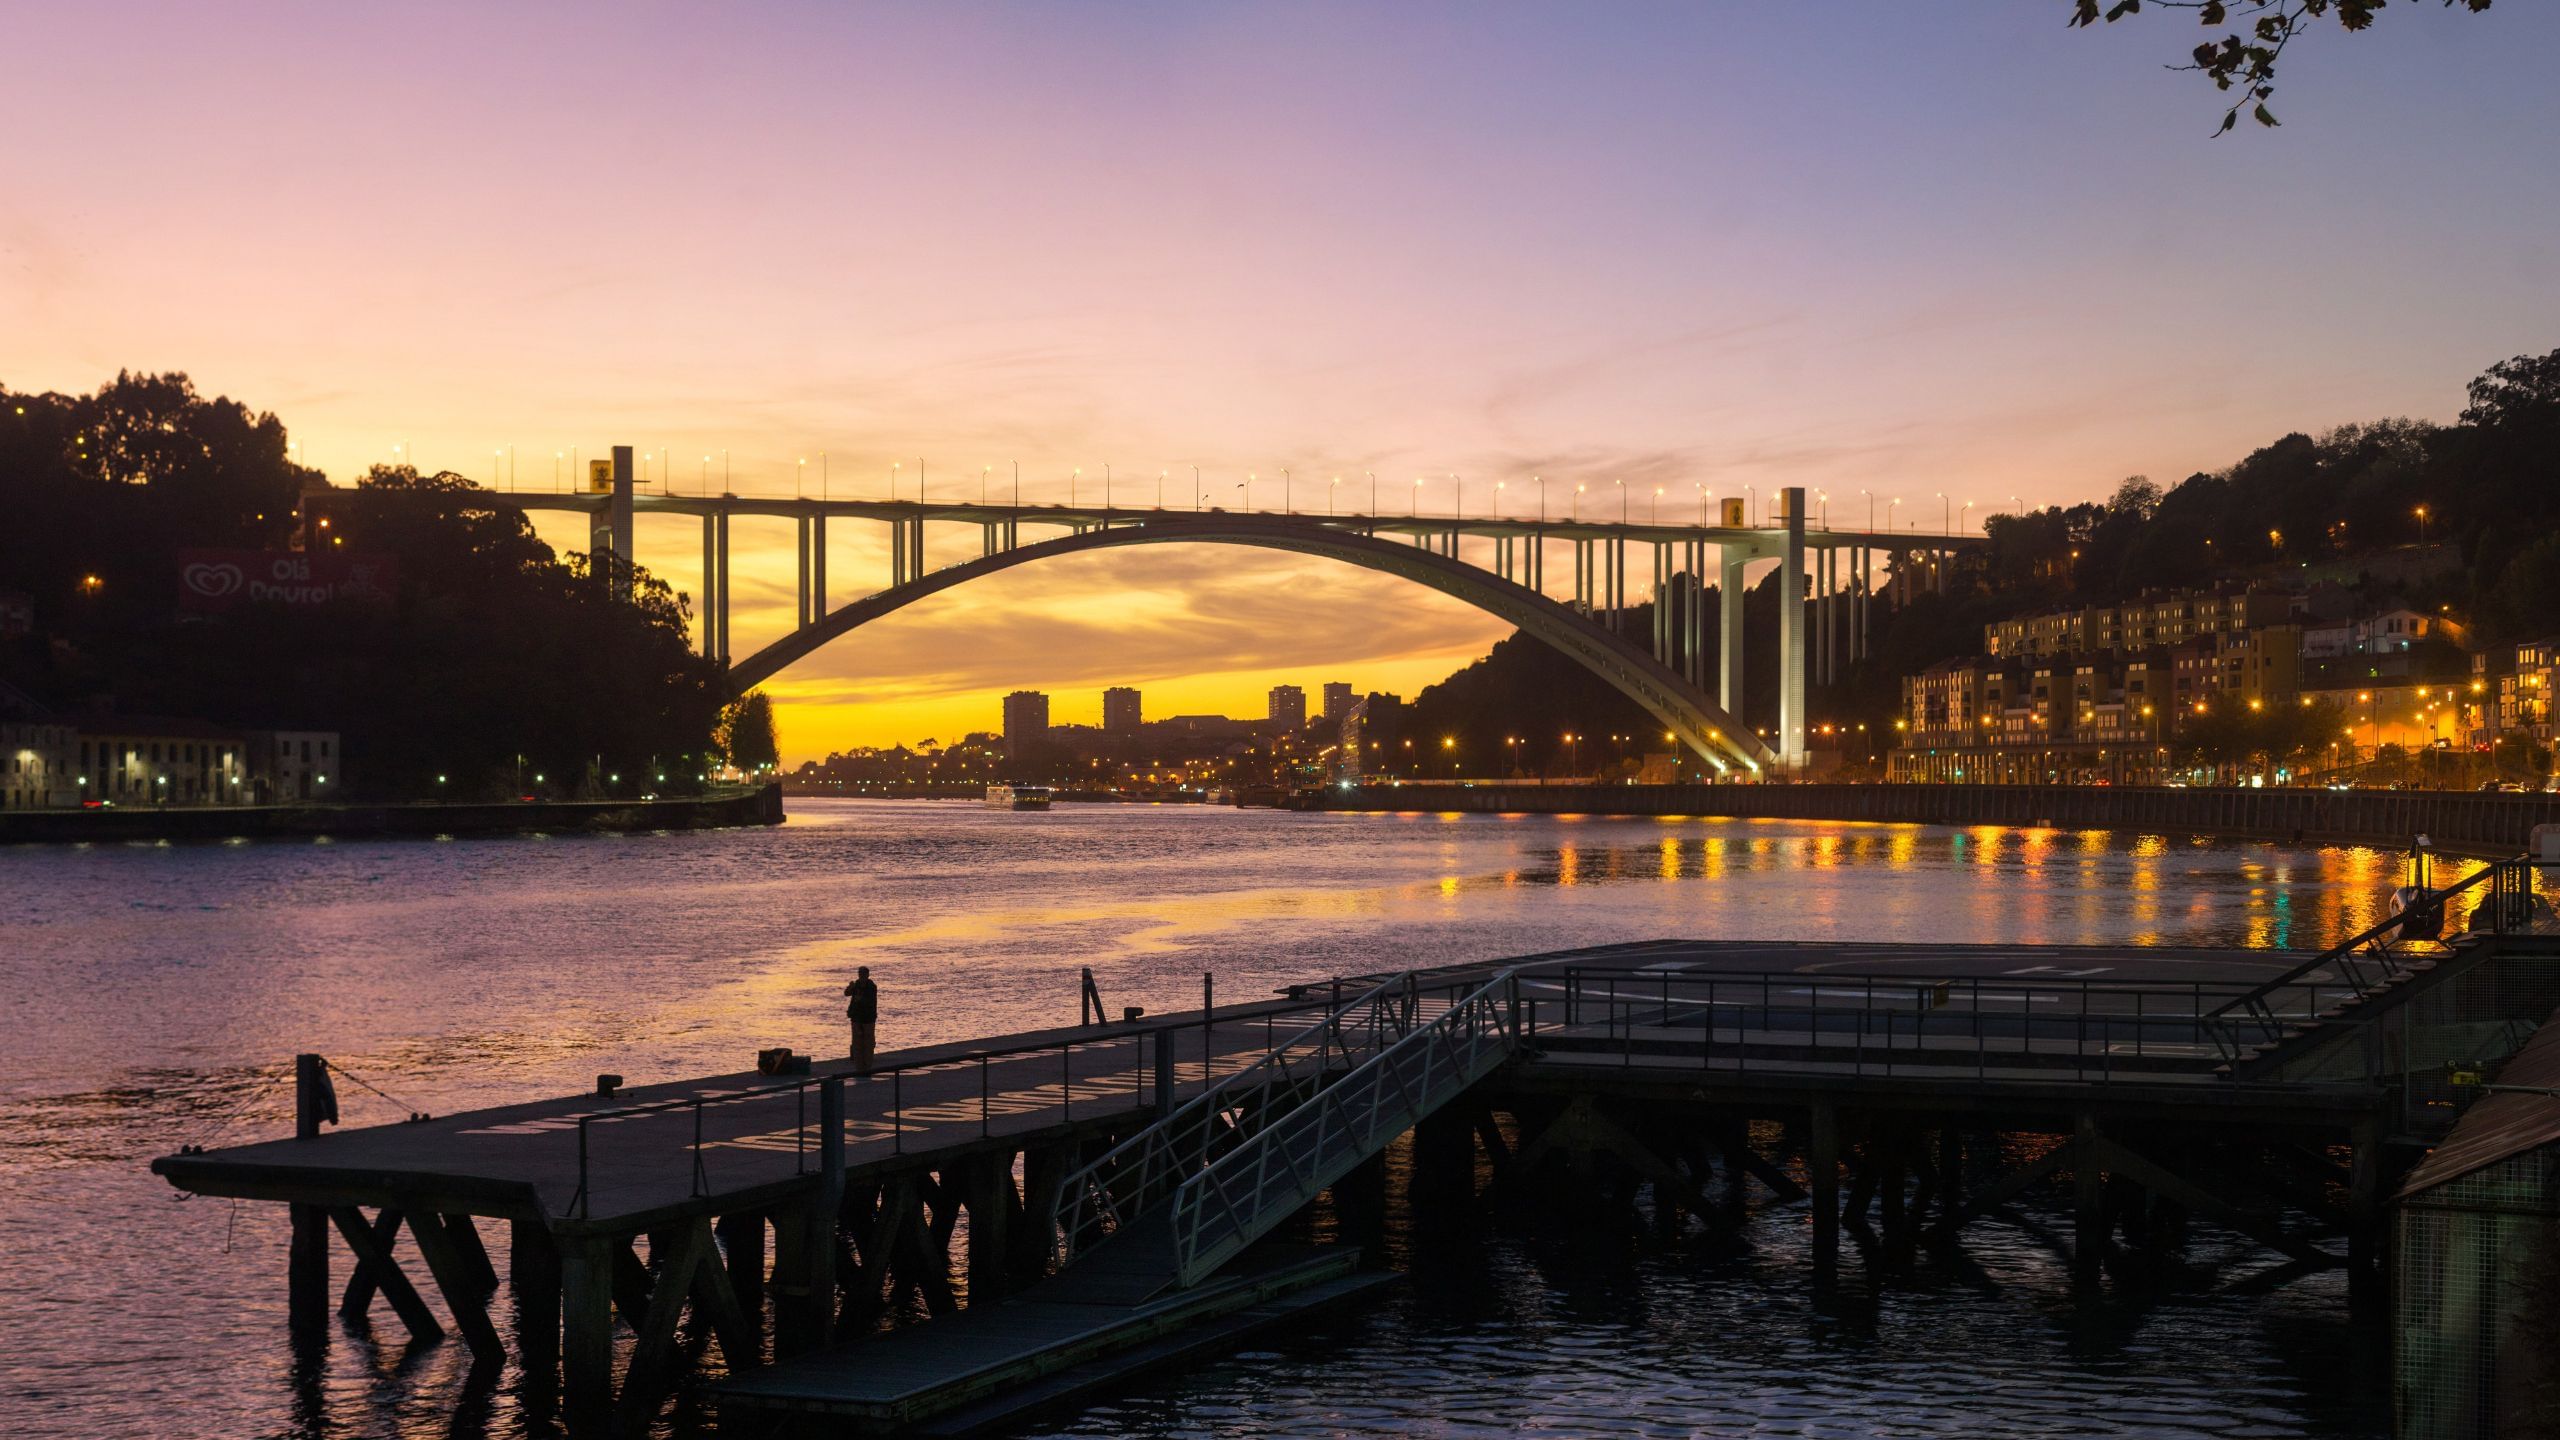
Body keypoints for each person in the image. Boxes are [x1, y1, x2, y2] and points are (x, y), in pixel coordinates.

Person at [843, 967, 879, 1074]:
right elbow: (846, 993)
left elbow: (869, 1002)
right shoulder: (856, 985)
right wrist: (850, 987)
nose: (861, 976)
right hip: (856, 1018)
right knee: (857, 1044)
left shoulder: (871, 987)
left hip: (868, 1019)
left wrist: (860, 999)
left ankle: (867, 1067)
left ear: (867, 975)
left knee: (868, 1043)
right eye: (860, 974)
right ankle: (859, 1068)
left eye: (863, 974)